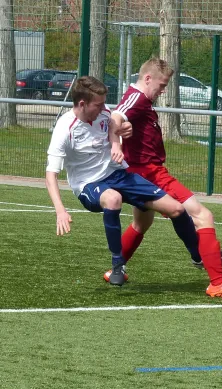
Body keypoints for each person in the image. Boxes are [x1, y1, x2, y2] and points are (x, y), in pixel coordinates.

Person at [45, 75, 209, 287]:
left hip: (119, 175)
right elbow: (51, 175)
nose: (105, 108)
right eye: (99, 104)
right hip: (89, 185)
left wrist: (117, 142)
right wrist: (60, 210)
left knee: (176, 208)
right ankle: (117, 265)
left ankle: (197, 256)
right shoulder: (64, 129)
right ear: (83, 104)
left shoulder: (104, 114)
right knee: (113, 199)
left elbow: (114, 127)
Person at [108, 57, 222, 299]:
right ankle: (217, 282)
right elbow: (117, 115)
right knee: (203, 216)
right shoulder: (137, 97)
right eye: (161, 85)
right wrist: (116, 142)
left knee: (142, 224)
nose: (163, 91)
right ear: (147, 78)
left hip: (141, 172)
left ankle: (115, 270)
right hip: (150, 173)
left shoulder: (143, 101)